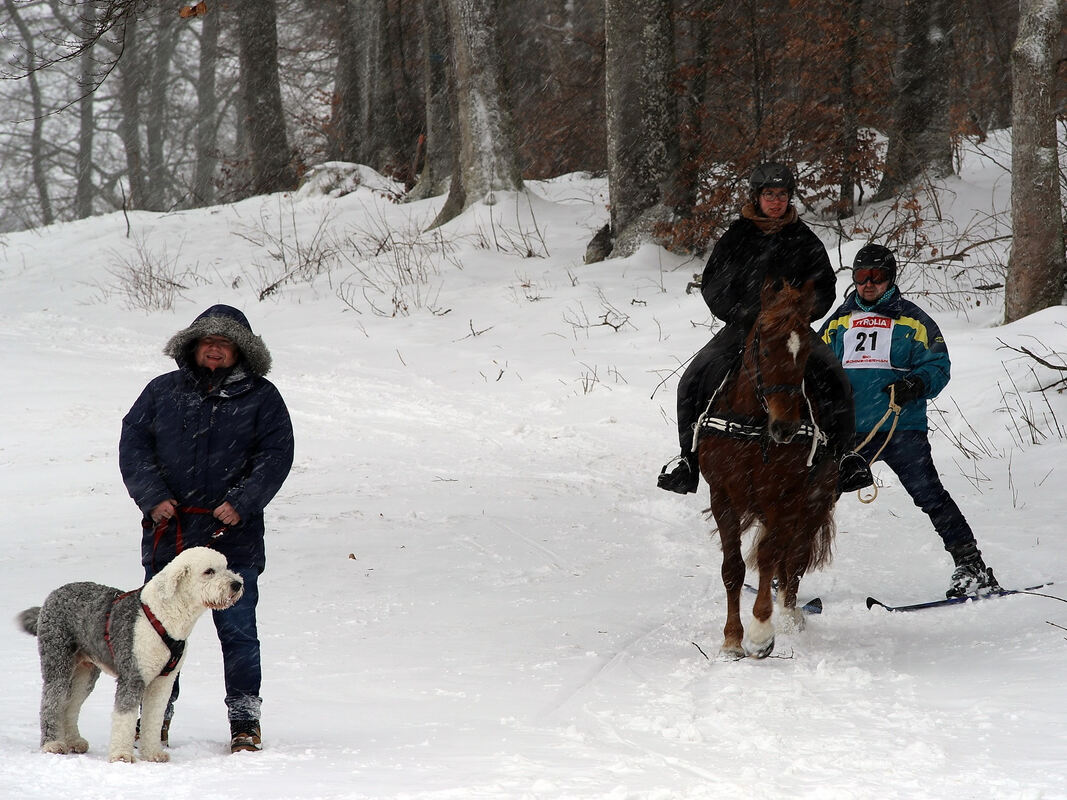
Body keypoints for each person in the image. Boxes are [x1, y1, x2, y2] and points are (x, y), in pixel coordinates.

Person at [119, 304, 295, 752]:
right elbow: (134, 444)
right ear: (193, 347)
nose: (215, 349)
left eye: (225, 343)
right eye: (207, 341)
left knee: (238, 633)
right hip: (170, 536)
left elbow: (276, 456)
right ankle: (155, 719)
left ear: (241, 351)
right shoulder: (161, 392)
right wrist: (153, 496)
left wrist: (242, 502)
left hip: (232, 538)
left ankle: (244, 721)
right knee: (158, 634)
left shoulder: (264, 398)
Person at [657, 162, 872, 495]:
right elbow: (713, 285)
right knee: (692, 379)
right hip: (743, 326)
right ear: (756, 197)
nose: (776, 201)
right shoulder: (736, 237)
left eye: (782, 194)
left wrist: (800, 314)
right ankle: (688, 462)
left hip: (791, 331)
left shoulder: (803, 238)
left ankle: (845, 458)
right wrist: (744, 313)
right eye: (769, 194)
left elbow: (825, 285)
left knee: (836, 378)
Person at [819, 244, 999, 598]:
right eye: (861, 277)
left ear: (890, 278)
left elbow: (938, 364)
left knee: (930, 495)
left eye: (877, 277)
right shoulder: (838, 322)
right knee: (817, 496)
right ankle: (786, 564)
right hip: (851, 431)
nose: (868, 285)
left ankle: (971, 565)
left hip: (901, 428)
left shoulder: (914, 320)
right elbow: (816, 367)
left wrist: (915, 383)